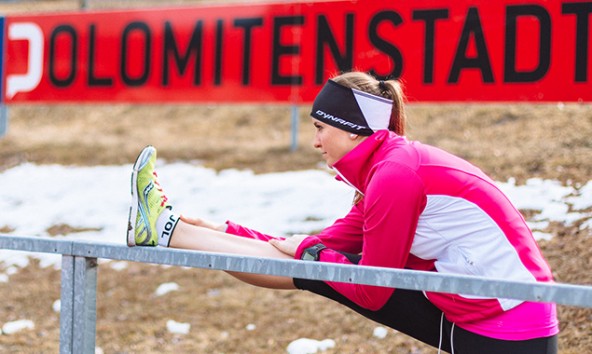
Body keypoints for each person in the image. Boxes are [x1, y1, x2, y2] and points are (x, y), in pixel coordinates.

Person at [126, 71, 559, 353]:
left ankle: (168, 231)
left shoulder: (396, 174)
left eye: (320, 128)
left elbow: (371, 287)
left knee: (326, 272)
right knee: (320, 266)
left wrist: (312, 256)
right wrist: (223, 229)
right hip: (481, 312)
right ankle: (170, 230)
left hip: (509, 327)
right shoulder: (387, 167)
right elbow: (326, 245)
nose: (315, 141)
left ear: (353, 132)